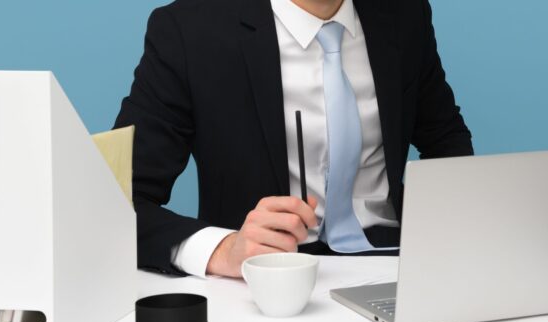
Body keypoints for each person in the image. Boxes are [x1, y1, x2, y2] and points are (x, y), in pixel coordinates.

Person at [115, 0, 473, 278]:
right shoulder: (189, 31)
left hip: (400, 264)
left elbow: (446, 139)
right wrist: (224, 249)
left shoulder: (404, 15)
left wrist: (453, 230)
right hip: (265, 279)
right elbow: (116, 202)